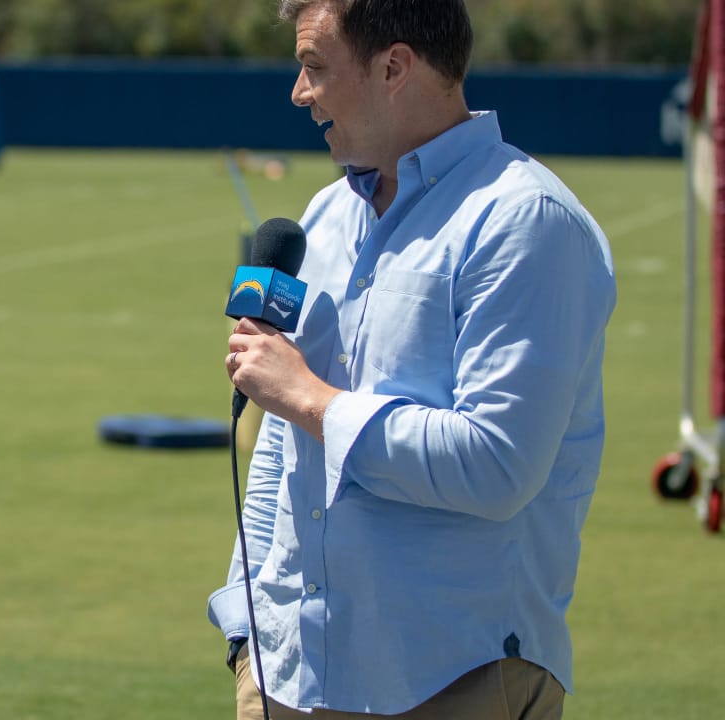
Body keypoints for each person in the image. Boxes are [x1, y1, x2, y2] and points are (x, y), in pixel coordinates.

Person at [208, 1, 616, 718]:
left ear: (394, 67)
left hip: (450, 679)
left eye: (314, 67)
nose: (298, 93)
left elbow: (495, 466)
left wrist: (312, 399)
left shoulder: (524, 220)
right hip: (288, 676)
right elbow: (278, 439)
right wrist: (247, 623)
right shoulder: (326, 215)